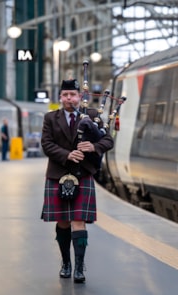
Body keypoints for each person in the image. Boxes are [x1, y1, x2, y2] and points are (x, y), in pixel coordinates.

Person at [40, 79, 114, 283]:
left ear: (79, 97)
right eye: (65, 95)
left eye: (72, 95)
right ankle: (66, 263)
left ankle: (79, 268)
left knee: (78, 220)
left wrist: (94, 147)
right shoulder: (50, 118)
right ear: (60, 97)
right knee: (63, 221)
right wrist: (67, 154)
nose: (69, 98)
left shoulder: (91, 115)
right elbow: (46, 144)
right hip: (58, 174)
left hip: (83, 174)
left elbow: (108, 140)